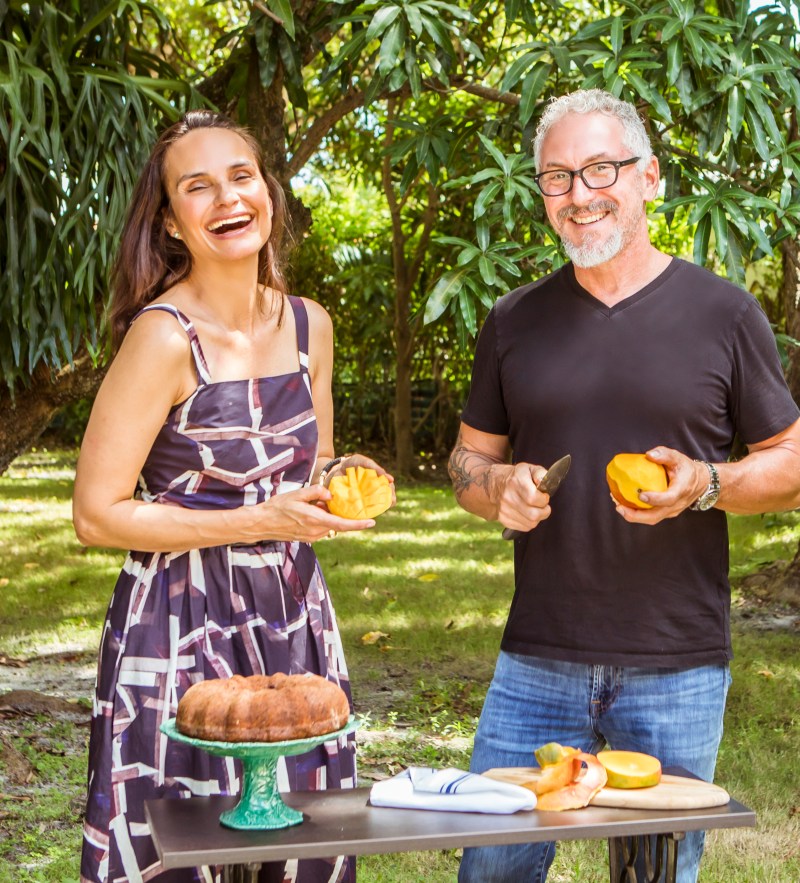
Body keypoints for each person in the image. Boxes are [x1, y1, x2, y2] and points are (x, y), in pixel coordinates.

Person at [449, 89, 800, 883]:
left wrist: (706, 483)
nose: (578, 194)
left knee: (655, 877)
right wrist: (492, 487)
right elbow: (465, 461)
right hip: (535, 658)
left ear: (650, 178)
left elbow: (791, 461)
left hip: (677, 662)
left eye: (600, 168)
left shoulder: (725, 313)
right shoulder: (512, 320)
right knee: (490, 873)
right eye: (557, 177)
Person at [73, 109, 393, 883]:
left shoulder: (312, 326)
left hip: (293, 611)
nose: (227, 199)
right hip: (180, 617)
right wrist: (259, 518)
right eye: (198, 186)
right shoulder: (161, 336)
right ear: (172, 221)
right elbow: (95, 513)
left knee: (306, 827)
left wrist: (341, 490)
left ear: (269, 194)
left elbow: (303, 475)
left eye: (241, 176)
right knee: (188, 837)